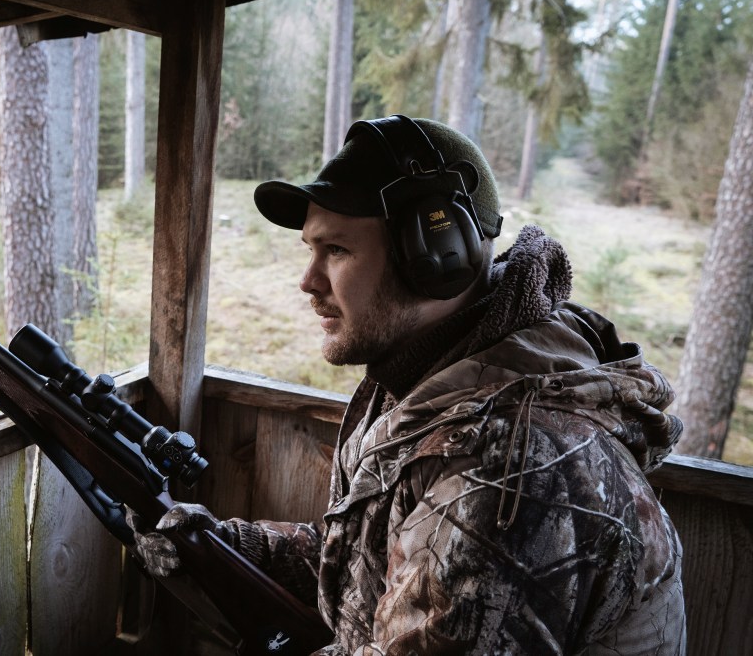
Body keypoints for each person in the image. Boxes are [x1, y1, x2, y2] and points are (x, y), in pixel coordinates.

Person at [131, 115, 687, 654]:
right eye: (311, 250)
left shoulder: (510, 470)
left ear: (436, 257)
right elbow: (363, 565)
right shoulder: (417, 382)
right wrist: (227, 546)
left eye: (337, 250)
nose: (308, 282)